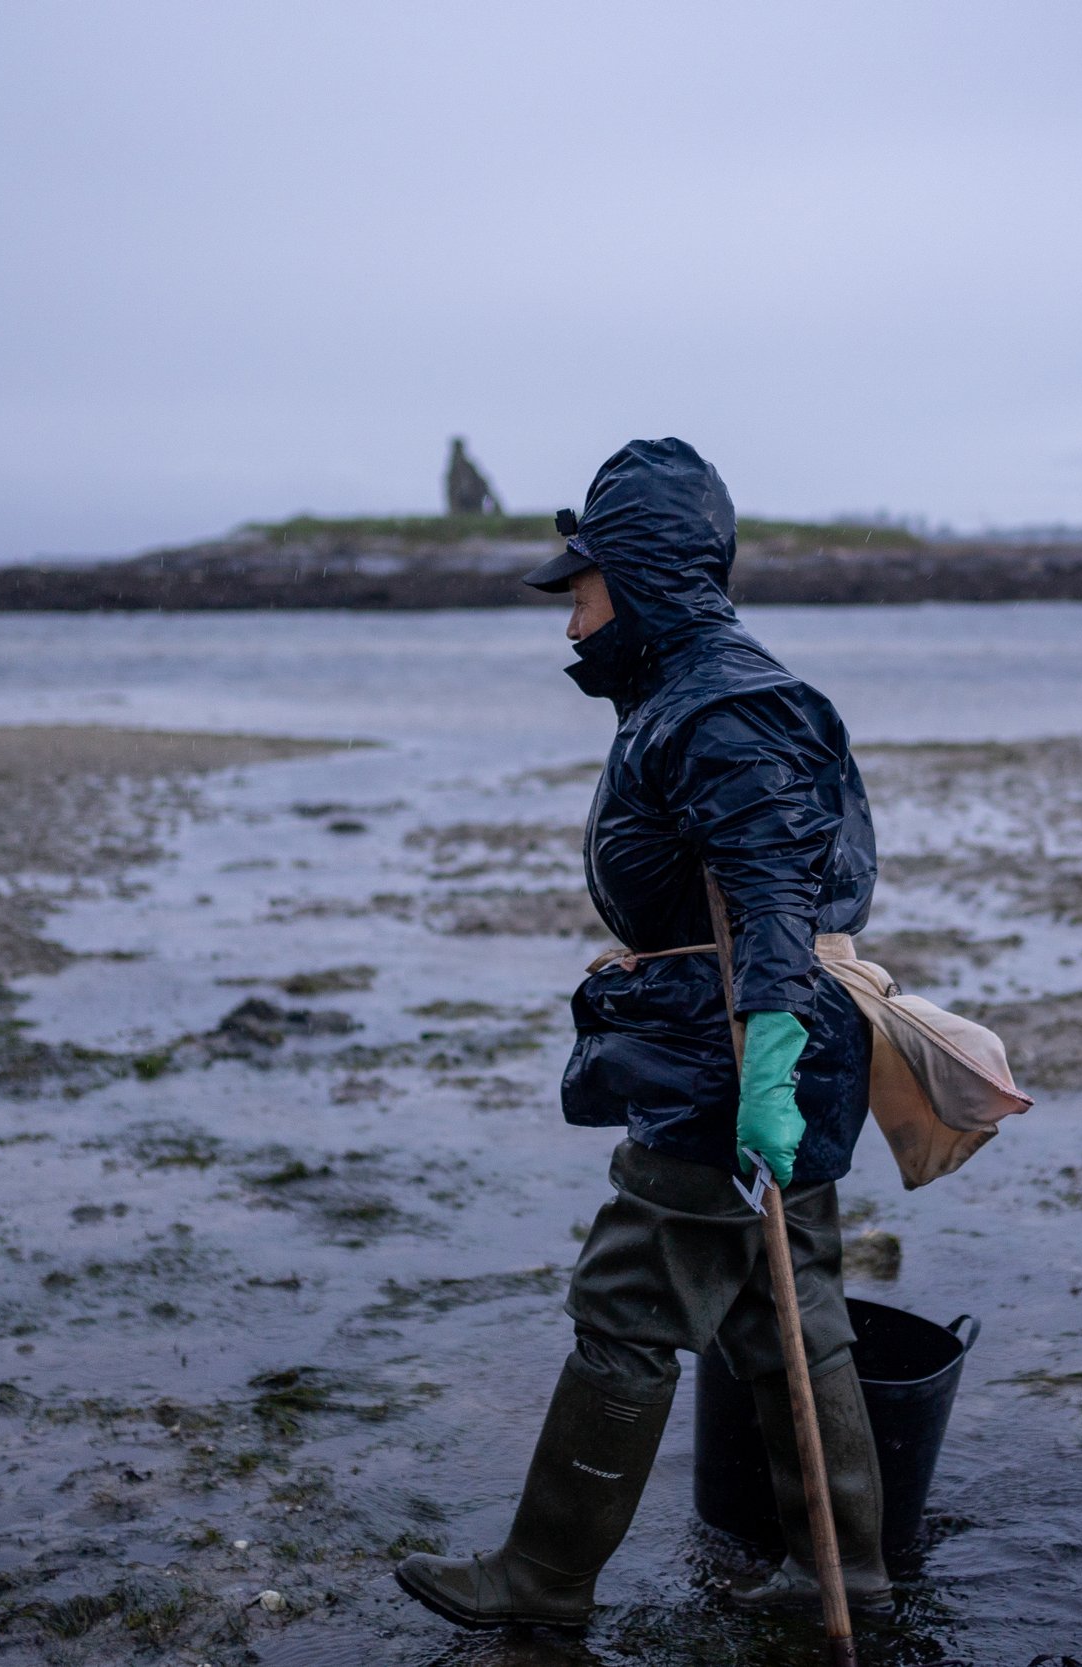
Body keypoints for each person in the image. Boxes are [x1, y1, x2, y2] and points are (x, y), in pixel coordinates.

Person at [395, 437, 886, 1630]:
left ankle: (545, 1578)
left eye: (580, 589)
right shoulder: (693, 691)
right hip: (750, 1032)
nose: (569, 624)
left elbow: (772, 895)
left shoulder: (720, 706)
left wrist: (765, 1072)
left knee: (627, 1302)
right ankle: (850, 1577)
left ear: (644, 576)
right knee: (788, 1305)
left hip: (737, 1047)